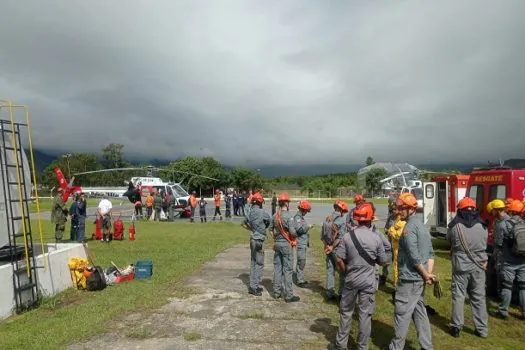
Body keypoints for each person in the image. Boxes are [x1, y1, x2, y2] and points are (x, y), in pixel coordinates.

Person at [331, 203, 388, 350]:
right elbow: (383, 261)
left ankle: (341, 344)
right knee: (365, 315)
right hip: (368, 281)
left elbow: (339, 259)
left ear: (356, 219)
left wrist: (345, 271)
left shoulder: (347, 237)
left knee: (346, 313)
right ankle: (362, 346)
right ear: (370, 219)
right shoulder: (376, 238)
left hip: (351, 279)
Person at [389, 193, 435, 350]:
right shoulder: (422, 225)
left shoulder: (408, 228)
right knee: (419, 311)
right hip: (419, 280)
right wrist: (428, 274)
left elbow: (414, 256)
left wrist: (425, 274)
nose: (398, 211)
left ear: (410, 209)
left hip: (409, 279)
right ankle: (427, 346)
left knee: (401, 313)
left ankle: (396, 347)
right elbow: (430, 253)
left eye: (401, 208)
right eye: (398, 208)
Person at [446, 197, 488, 338]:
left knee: (458, 296)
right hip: (479, 266)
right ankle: (482, 329)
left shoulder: (454, 226)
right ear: (474, 209)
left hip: (460, 266)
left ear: (460, 209)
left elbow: (449, 240)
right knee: (479, 298)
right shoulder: (483, 225)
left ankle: (456, 327)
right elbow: (484, 243)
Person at [497, 199, 525, 320]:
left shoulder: (504, 224)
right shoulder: (524, 224)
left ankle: (503, 311)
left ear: (511, 211)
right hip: (523, 261)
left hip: (508, 261)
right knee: (523, 287)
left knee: (507, 286)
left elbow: (498, 243)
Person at [269, 193, 300, 302]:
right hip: (286, 245)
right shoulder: (289, 216)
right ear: (286, 203)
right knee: (287, 269)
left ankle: (276, 293)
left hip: (277, 244)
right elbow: (292, 232)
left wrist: (276, 239)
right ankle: (289, 295)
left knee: (277, 268)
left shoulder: (274, 216)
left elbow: (270, 230)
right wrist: (296, 234)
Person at [242, 192, 271, 296]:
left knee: (253, 262)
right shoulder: (262, 212)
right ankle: (255, 286)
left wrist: (252, 229)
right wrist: (262, 228)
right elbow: (269, 221)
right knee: (259, 263)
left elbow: (243, 223)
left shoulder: (250, 212)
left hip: (252, 238)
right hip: (259, 240)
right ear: (260, 202)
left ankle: (252, 285)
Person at [321, 199, 349, 300]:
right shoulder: (342, 220)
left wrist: (327, 246)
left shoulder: (327, 218)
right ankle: (341, 294)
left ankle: (329, 292)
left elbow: (322, 236)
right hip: (338, 249)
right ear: (341, 209)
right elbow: (341, 237)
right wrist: (332, 247)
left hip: (328, 248)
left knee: (330, 269)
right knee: (343, 272)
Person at [490, 199, 510, 299]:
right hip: (497, 250)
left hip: (504, 251)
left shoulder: (508, 221)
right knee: (497, 272)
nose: (491, 212)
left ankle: (503, 295)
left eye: (492, 210)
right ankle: (499, 294)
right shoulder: (497, 220)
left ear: (497, 210)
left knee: (502, 273)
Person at [293, 200, 313, 288]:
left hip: (303, 243)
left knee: (302, 261)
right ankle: (299, 280)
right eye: (306, 211)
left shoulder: (301, 217)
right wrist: (308, 227)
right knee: (301, 260)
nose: (306, 213)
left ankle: (300, 278)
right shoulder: (297, 217)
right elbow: (300, 230)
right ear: (303, 209)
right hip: (300, 243)